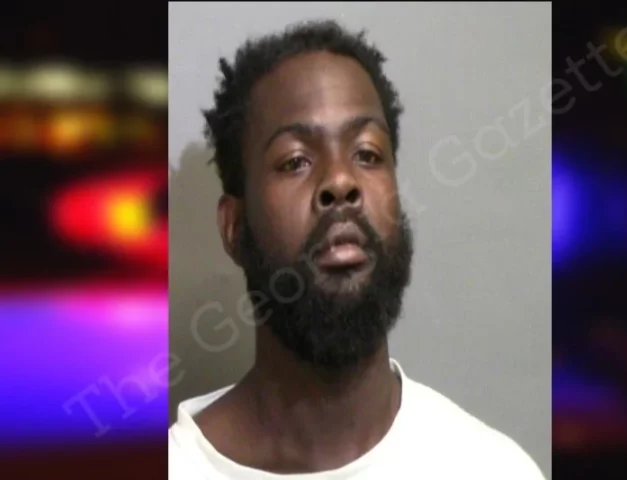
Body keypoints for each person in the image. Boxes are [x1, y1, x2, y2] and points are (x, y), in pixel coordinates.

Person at [169, 19, 545, 479]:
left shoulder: (494, 469)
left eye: (367, 154)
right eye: (295, 160)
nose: (341, 180)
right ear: (234, 226)